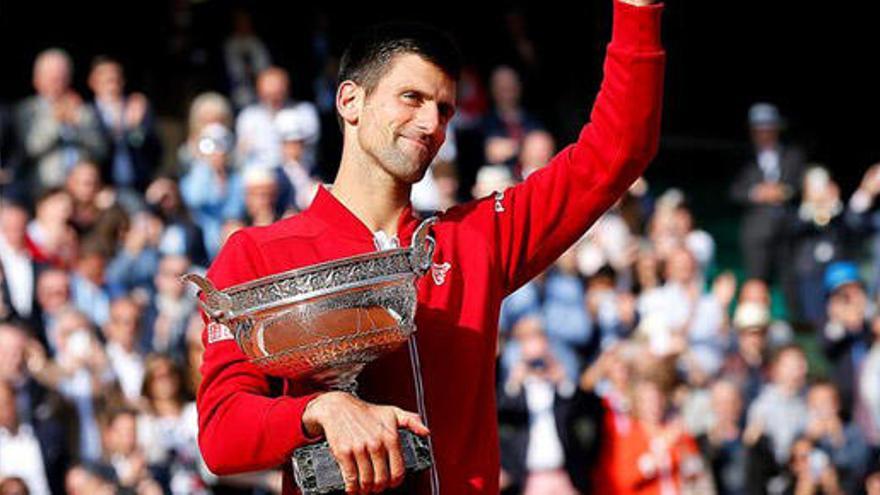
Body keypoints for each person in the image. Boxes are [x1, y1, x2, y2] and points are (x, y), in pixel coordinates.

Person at [196, 2, 664, 494]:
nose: (430, 123)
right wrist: (320, 409)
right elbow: (222, 435)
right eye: (411, 98)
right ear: (350, 101)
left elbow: (619, 149)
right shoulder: (258, 254)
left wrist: (637, 11)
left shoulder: (476, 239)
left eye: (443, 110)